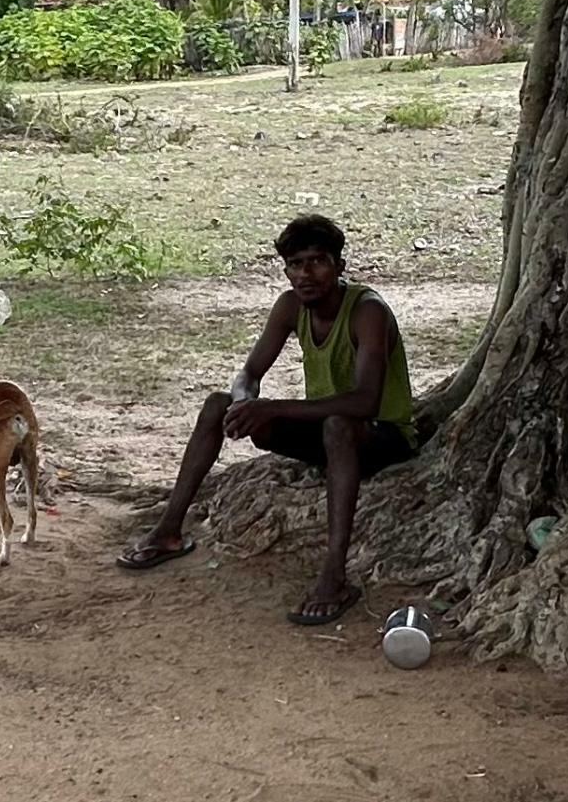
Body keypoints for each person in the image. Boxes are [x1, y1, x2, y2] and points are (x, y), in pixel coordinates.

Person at [117, 214, 419, 624]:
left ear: (339, 266)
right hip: (332, 434)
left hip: (382, 436)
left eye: (317, 261)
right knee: (215, 405)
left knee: (337, 426)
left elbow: (365, 402)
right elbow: (249, 373)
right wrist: (244, 402)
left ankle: (334, 576)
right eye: (295, 264)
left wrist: (273, 407)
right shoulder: (291, 307)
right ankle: (169, 531)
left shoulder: (368, 311)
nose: (305, 274)